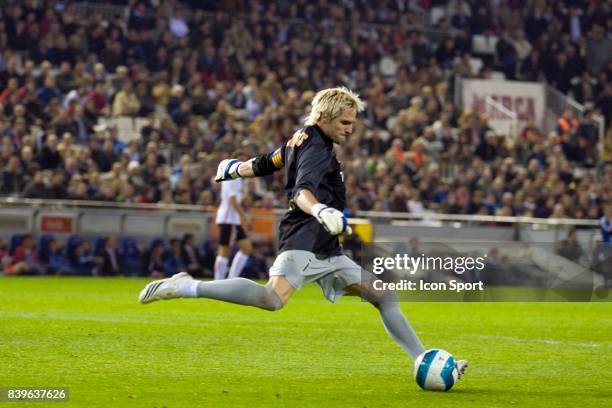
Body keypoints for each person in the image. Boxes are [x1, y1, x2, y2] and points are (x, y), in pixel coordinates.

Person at [139, 87, 467, 377]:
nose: (350, 130)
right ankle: (187, 286)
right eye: (345, 123)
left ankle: (421, 359)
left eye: (352, 123)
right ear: (324, 116)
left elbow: (272, 161)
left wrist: (235, 169)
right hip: (306, 235)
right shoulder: (316, 149)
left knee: (383, 295)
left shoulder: (303, 137)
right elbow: (301, 192)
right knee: (272, 298)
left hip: (326, 246)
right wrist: (321, 210)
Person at [214, 165, 254, 280]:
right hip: (229, 219)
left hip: (232, 219)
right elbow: (233, 201)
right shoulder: (234, 177)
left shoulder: (236, 178)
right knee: (224, 251)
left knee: (246, 248)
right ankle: (219, 282)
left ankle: (230, 279)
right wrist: (245, 218)